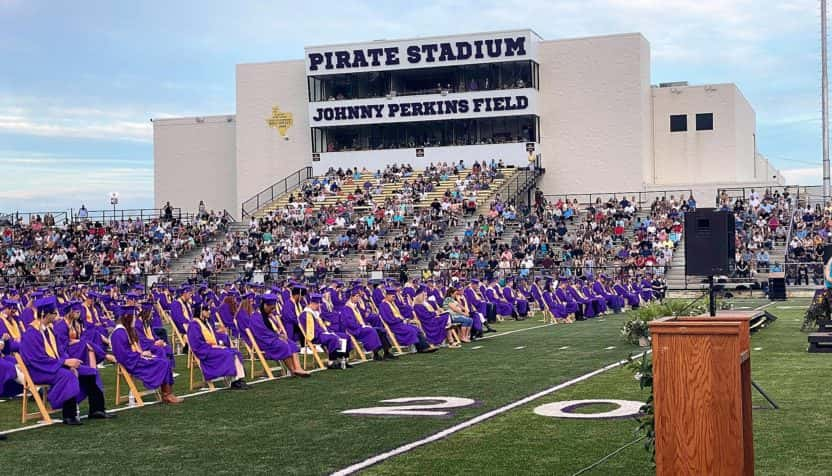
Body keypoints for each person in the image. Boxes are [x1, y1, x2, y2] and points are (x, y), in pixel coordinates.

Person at [20, 297, 114, 425]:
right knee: (68, 375)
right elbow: (36, 359)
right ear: (45, 314)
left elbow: (60, 352)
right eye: (54, 313)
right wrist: (64, 364)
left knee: (90, 372)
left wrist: (68, 361)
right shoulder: (31, 333)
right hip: (39, 370)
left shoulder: (50, 330)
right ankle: (69, 415)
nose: (56, 316)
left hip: (53, 366)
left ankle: (97, 409)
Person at [111, 305, 182, 404]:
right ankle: (167, 394)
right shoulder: (118, 333)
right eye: (133, 317)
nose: (134, 319)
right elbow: (123, 356)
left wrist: (142, 353)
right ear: (127, 317)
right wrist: (141, 355)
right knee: (163, 363)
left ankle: (167, 393)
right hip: (131, 363)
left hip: (135, 358)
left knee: (164, 361)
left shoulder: (125, 330)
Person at [186, 302, 250, 390]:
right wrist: (214, 347)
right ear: (200, 311)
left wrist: (222, 336)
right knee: (229, 353)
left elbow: (213, 337)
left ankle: (238, 379)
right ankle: (236, 381)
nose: (209, 312)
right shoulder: (193, 325)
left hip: (211, 349)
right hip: (204, 352)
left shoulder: (205, 323)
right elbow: (197, 344)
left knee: (235, 352)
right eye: (207, 310)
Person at [248, 294, 310, 377]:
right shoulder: (256, 317)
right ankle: (292, 370)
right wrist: (278, 336)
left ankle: (298, 368)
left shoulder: (268, 315)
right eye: (271, 308)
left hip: (272, 339)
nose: (272, 310)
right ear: (265, 305)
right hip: (264, 342)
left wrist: (279, 335)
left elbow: (273, 329)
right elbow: (262, 333)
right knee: (284, 345)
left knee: (291, 344)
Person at [298, 293, 353, 370]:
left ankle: (344, 360)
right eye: (317, 304)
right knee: (333, 338)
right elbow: (312, 330)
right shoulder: (305, 314)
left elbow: (322, 326)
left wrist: (328, 330)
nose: (319, 307)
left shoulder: (315, 313)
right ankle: (332, 362)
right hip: (316, 336)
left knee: (345, 336)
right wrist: (325, 332)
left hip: (322, 333)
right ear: (313, 303)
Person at [339, 288, 396, 361]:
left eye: (359, 296)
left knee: (380, 330)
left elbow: (362, 318)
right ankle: (376, 354)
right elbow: (349, 323)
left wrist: (364, 323)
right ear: (351, 297)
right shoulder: (346, 308)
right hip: (354, 330)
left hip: (360, 327)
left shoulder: (355, 307)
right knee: (371, 331)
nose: (358, 298)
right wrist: (362, 326)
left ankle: (386, 352)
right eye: (356, 296)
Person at [378, 287, 436, 354]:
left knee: (416, 329)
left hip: (399, 324)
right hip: (394, 326)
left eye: (394, 297)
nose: (394, 298)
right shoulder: (383, 305)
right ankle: (420, 348)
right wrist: (401, 320)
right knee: (411, 330)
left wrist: (404, 320)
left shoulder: (391, 303)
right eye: (393, 297)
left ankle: (424, 347)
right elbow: (389, 319)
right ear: (387, 296)